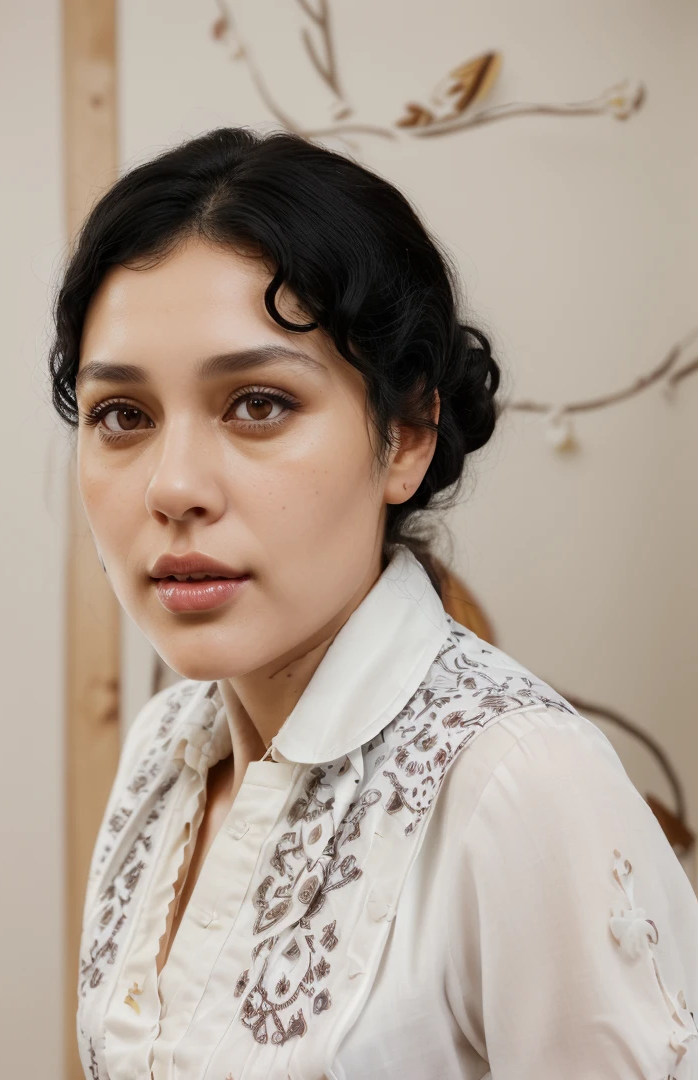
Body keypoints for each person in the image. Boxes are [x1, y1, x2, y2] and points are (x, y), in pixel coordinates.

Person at [49, 126, 698, 1079]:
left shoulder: (520, 785)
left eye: (258, 403)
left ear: (405, 436)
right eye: (123, 415)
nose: (173, 486)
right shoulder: (161, 750)